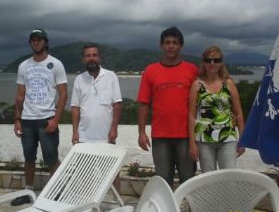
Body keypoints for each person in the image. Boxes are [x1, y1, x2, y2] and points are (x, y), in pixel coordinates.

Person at [11, 28, 68, 206]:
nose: (36, 43)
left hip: (47, 119)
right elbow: (20, 95)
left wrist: (55, 119)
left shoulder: (56, 64)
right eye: (33, 40)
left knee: (51, 157)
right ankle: (28, 191)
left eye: (39, 40)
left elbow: (63, 94)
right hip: (27, 120)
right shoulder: (24, 65)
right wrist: (17, 119)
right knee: (28, 157)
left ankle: (59, 193)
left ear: (46, 42)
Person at [137, 26, 198, 187]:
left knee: (189, 182)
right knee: (163, 182)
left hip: (186, 136)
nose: (170, 46)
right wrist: (141, 132)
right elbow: (143, 103)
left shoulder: (192, 70)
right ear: (161, 46)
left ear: (181, 46)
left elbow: (203, 100)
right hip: (160, 136)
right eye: (167, 43)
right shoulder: (150, 71)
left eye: (175, 43)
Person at [71, 42, 122, 191]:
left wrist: (114, 129)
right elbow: (75, 108)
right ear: (83, 59)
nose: (91, 58)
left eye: (94, 55)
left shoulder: (111, 76)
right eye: (88, 56)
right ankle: (86, 205)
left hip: (106, 136)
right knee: (85, 174)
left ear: (100, 58)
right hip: (84, 137)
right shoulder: (79, 80)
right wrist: (75, 131)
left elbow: (117, 105)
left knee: (112, 172)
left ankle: (116, 203)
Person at [188, 45, 245, 173]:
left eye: (216, 60)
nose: (212, 63)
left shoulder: (229, 83)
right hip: (204, 139)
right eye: (208, 60)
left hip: (228, 138)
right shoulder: (197, 85)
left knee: (228, 176)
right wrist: (192, 143)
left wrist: (243, 138)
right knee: (208, 178)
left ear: (221, 63)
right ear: (203, 63)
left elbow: (239, 113)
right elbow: (191, 116)